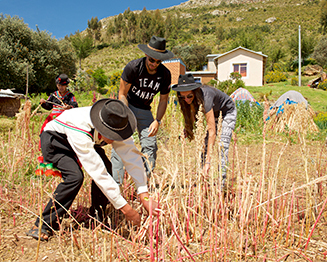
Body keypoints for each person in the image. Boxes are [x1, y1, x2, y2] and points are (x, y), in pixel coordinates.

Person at [26, 98, 158, 241]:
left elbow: (132, 158)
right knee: (74, 177)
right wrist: (127, 210)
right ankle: (43, 224)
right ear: (101, 127)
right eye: (111, 135)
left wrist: (144, 195)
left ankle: (96, 217)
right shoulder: (80, 126)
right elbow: (97, 172)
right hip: (56, 140)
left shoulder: (118, 123)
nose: (116, 139)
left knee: (109, 169)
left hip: (83, 139)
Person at [111, 35, 174, 184]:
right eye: (152, 60)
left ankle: (143, 184)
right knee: (120, 143)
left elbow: (164, 100)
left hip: (145, 110)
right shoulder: (133, 67)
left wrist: (157, 120)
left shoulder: (165, 74)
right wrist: (124, 115)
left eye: (158, 61)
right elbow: (122, 94)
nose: (154, 64)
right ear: (146, 55)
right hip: (128, 106)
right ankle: (117, 185)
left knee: (150, 144)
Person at [172, 74, 237, 187]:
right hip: (213, 113)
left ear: (195, 92)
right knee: (204, 147)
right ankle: (204, 182)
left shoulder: (206, 96)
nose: (186, 99)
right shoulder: (189, 100)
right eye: (183, 97)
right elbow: (193, 116)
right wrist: (187, 129)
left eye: (189, 96)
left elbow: (212, 131)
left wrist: (208, 161)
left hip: (226, 113)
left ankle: (220, 186)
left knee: (222, 145)